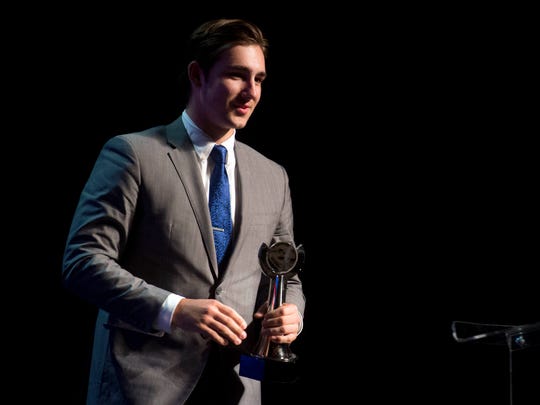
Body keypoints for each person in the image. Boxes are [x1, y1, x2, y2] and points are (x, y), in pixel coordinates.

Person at [62, 18, 305, 405]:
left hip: (240, 386)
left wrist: (293, 314)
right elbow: (82, 262)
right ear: (197, 74)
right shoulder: (134, 154)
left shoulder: (273, 176)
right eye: (237, 75)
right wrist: (173, 309)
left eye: (259, 79)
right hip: (144, 387)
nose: (251, 92)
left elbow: (284, 275)